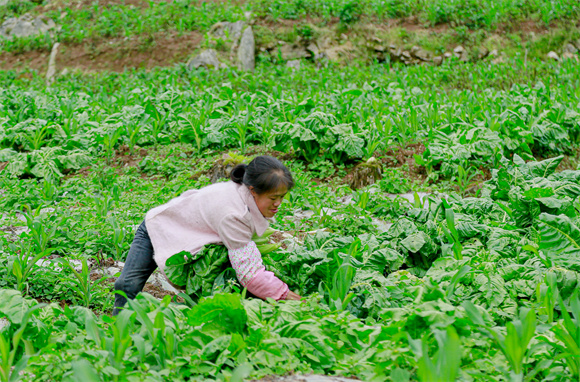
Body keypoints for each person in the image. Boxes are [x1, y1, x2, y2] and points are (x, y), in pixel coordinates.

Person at [113, 155, 302, 315]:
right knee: (127, 285)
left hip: (187, 233)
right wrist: (283, 294)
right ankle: (118, 331)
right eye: (273, 198)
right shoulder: (233, 214)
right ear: (253, 190)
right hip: (158, 227)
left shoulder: (242, 194)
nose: (278, 204)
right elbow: (249, 273)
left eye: (281, 197)